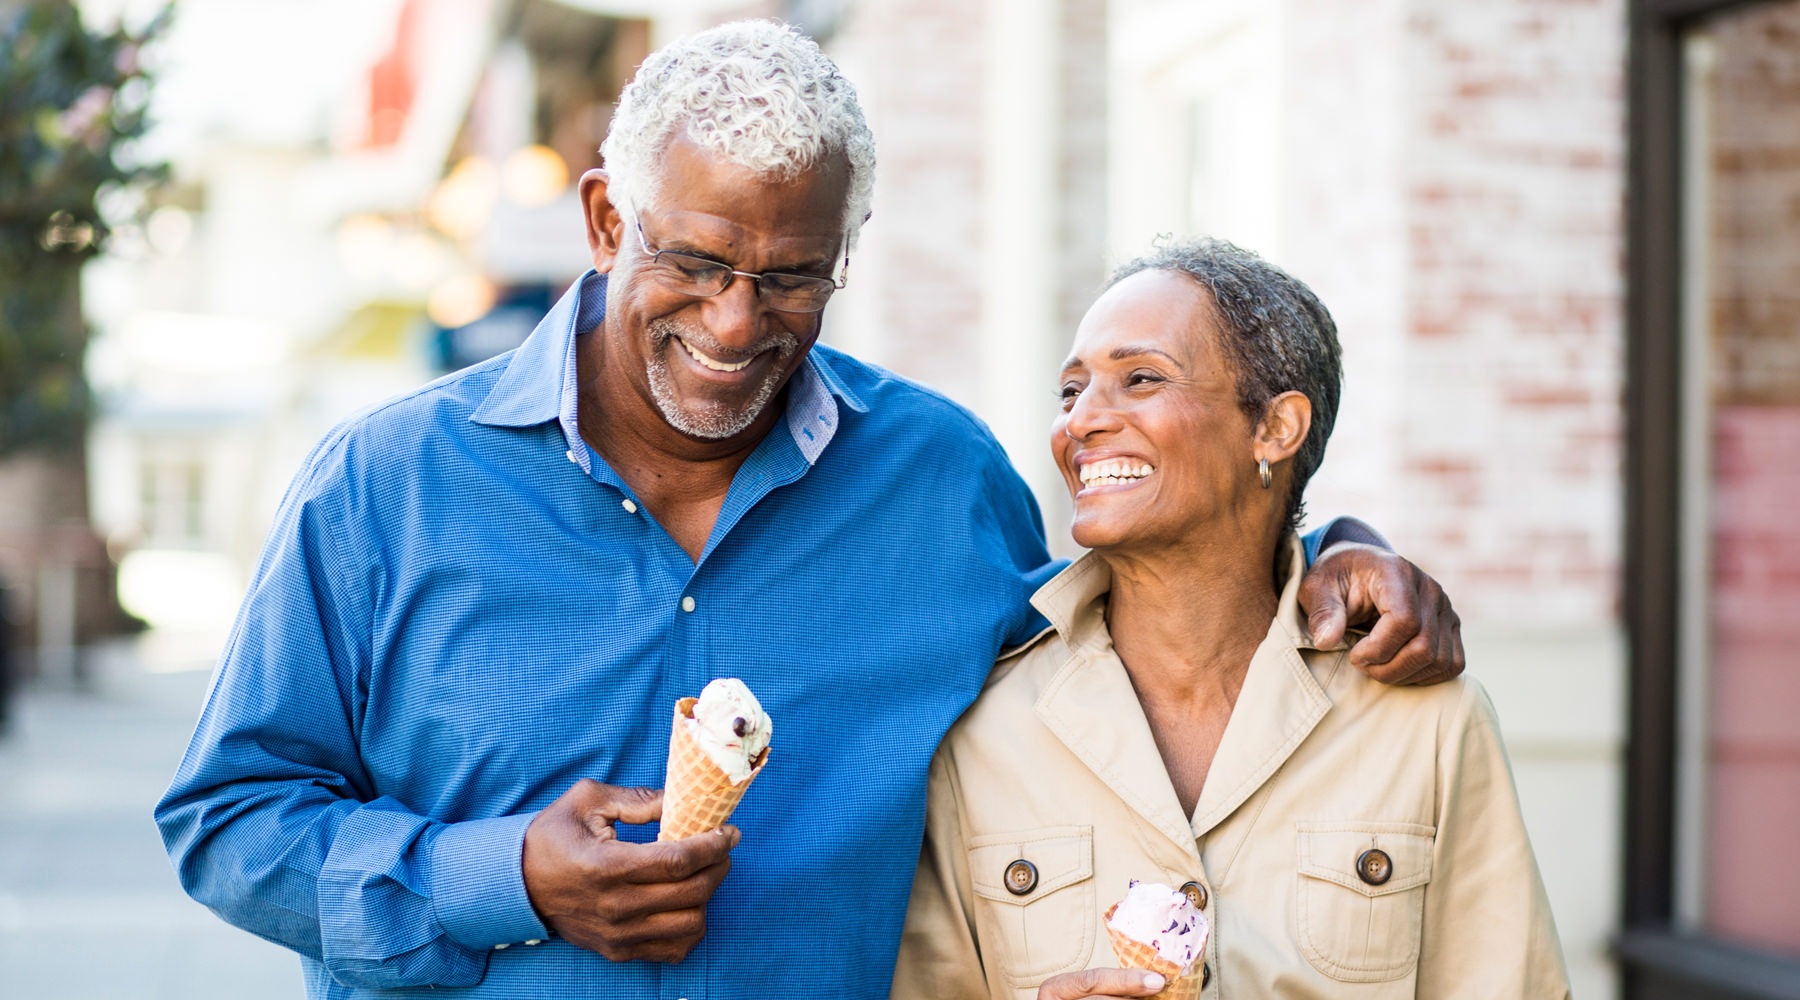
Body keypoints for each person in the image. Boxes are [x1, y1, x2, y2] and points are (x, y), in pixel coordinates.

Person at [155, 21, 1466, 1000]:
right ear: (609, 219)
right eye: (696, 262)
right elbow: (227, 820)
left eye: (792, 278)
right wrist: (502, 876)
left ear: (846, 252)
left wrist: (1331, 549)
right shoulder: (387, 485)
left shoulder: (940, 481)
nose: (736, 324)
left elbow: (1136, 638)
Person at [893, 238, 1570, 1000]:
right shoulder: (983, 732)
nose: (1082, 420)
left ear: (1275, 429)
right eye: (1072, 391)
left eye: (1140, 378)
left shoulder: (1429, 724)